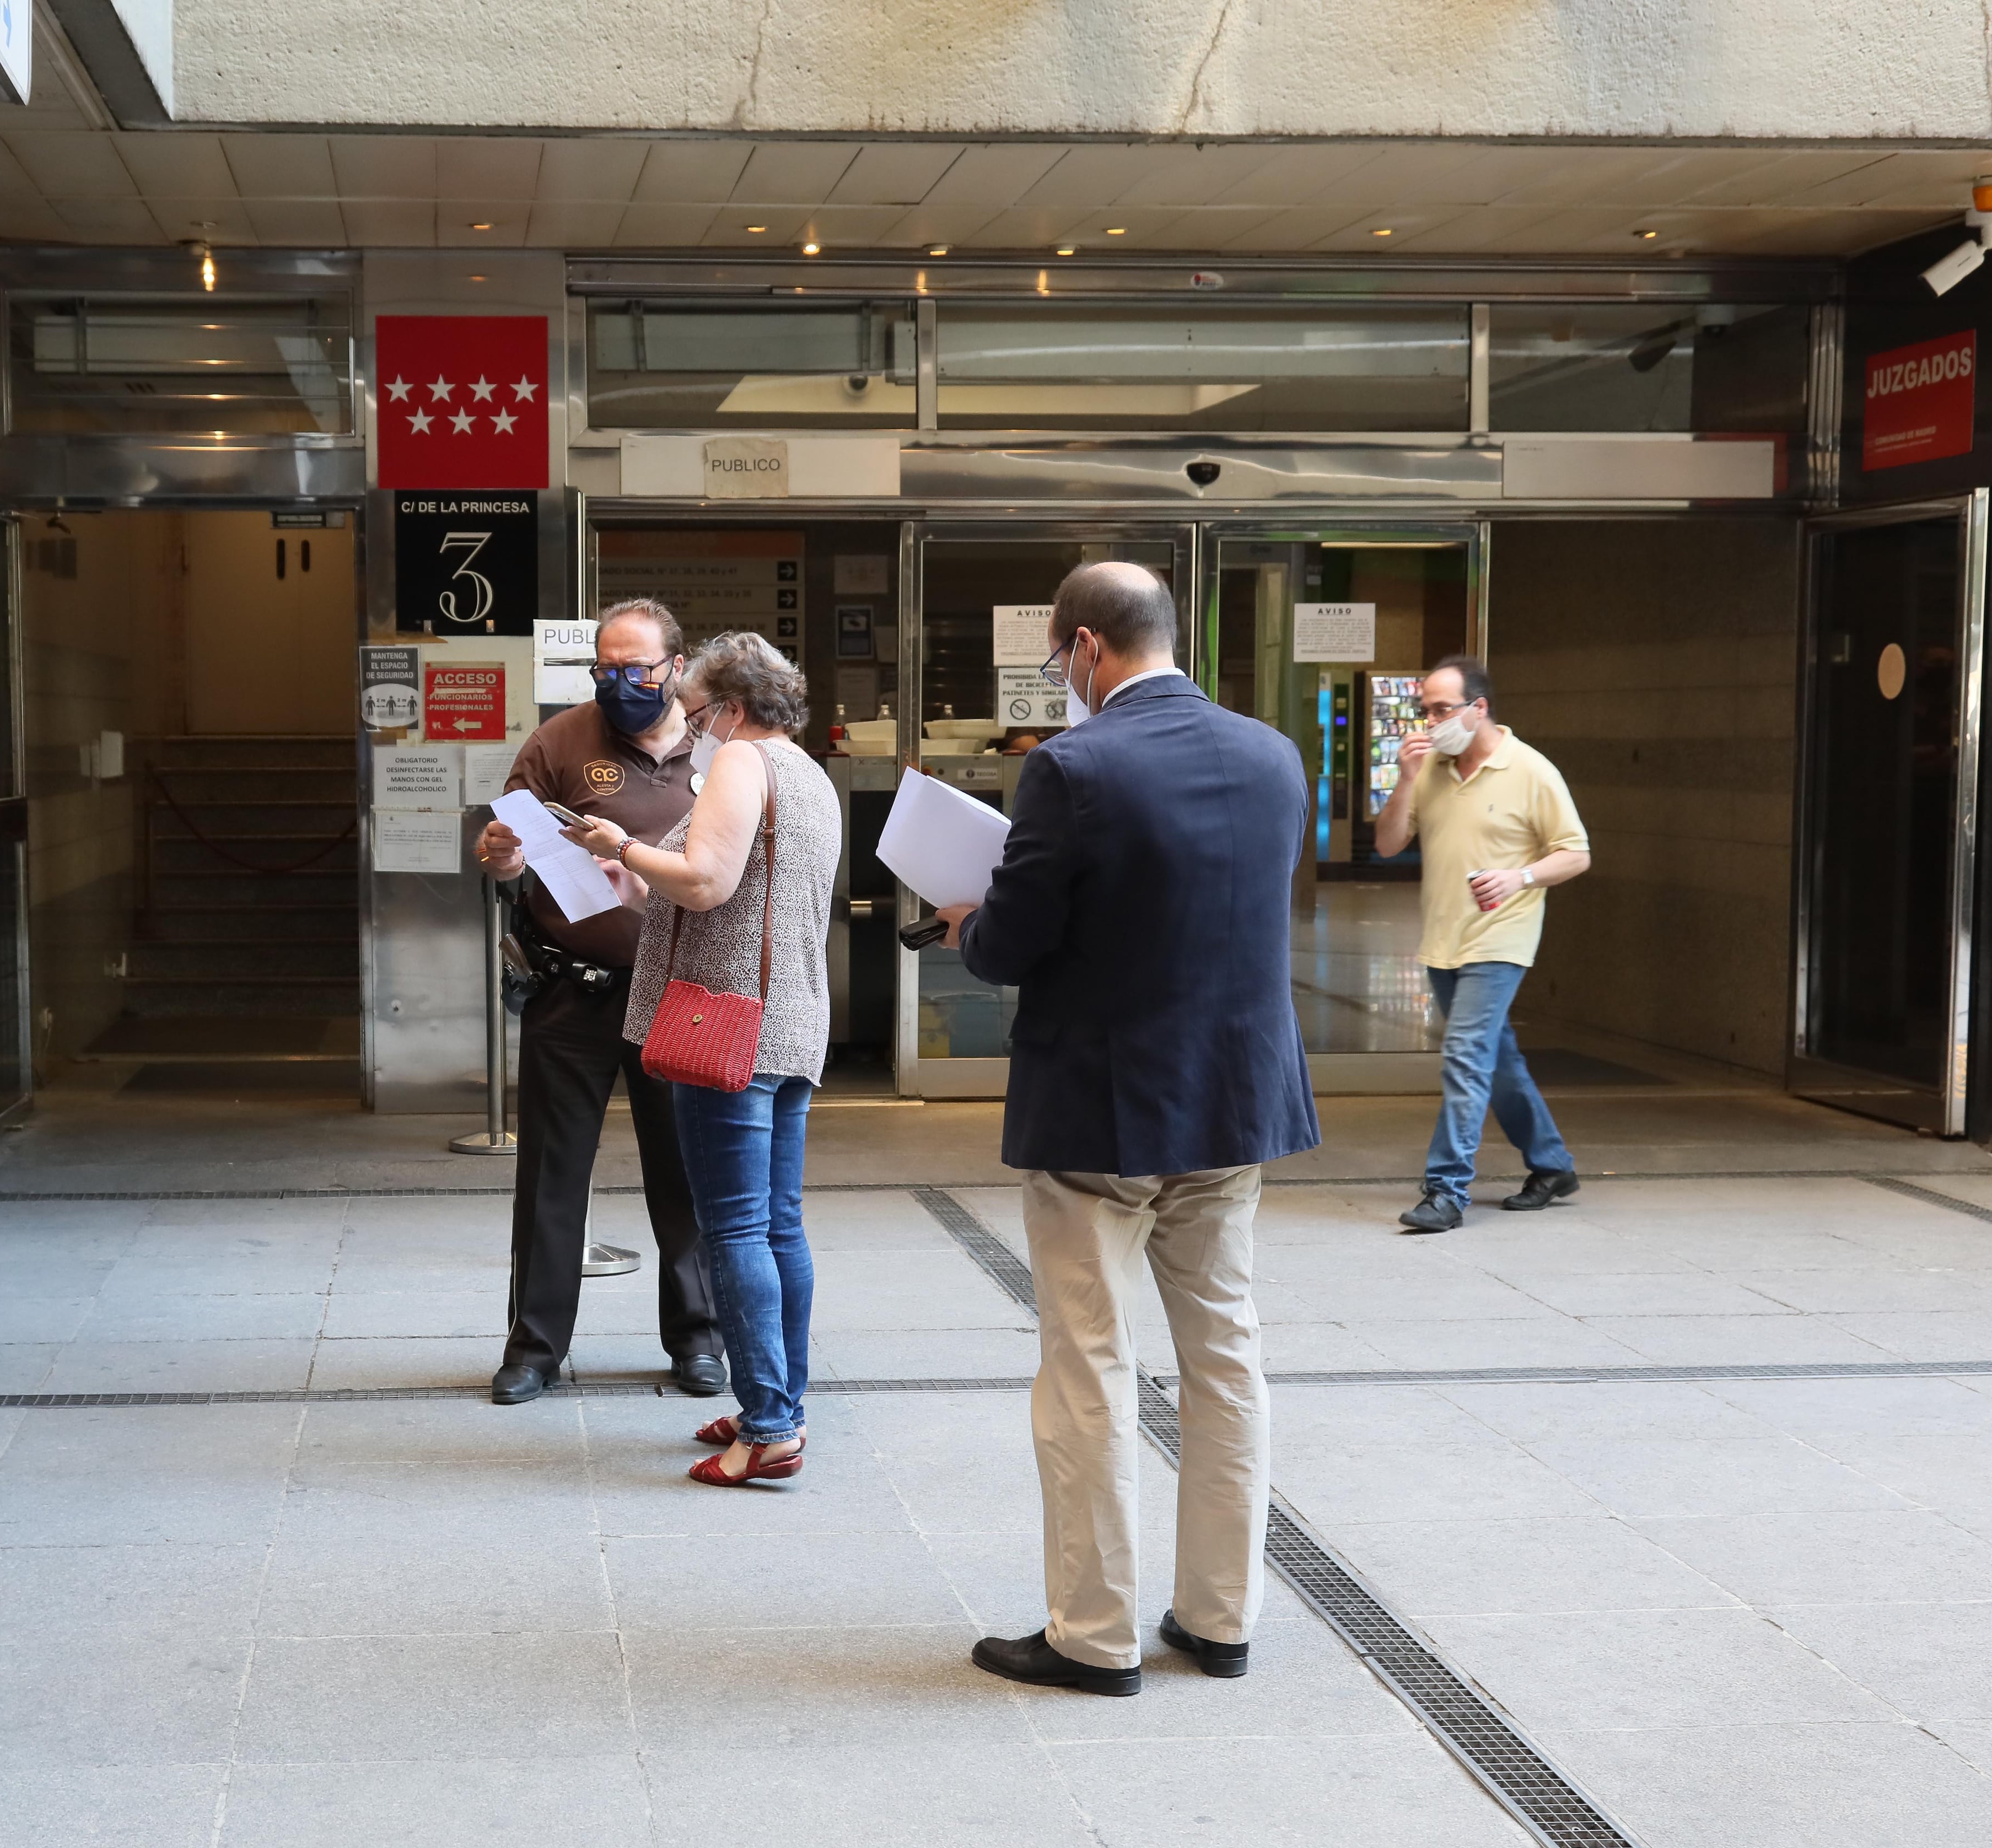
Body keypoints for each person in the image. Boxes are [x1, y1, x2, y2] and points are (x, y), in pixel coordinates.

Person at [936, 562, 1318, 1695]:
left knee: (1090, 1368)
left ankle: (1092, 1637)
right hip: (1231, 1106)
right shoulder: (1273, 754)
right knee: (1226, 1357)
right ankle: (1219, 1618)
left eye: (1063, 661)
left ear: (1086, 649)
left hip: (1101, 1114)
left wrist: (970, 918)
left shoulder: (1073, 766)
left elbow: (1011, 946)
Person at [567, 633, 844, 1485]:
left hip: (725, 1024)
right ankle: (782, 1403)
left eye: (697, 712)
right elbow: (712, 884)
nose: (693, 728)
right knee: (779, 1224)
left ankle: (766, 1427)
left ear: (729, 706)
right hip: (792, 1020)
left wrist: (617, 846)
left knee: (732, 1228)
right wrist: (637, 875)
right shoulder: (808, 773)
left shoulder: (740, 764)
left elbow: (709, 882)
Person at [473, 601, 728, 1405]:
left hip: (680, 993)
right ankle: (535, 1347)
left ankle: (698, 1337)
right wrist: (503, 858)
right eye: (604, 670)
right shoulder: (559, 741)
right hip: (572, 991)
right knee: (551, 1173)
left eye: (635, 670)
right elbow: (506, 855)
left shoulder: (723, 746)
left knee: (687, 1172)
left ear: (675, 666)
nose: (618, 684)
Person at [1374, 655, 1592, 1233]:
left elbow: (1576, 852)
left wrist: (1518, 877)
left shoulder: (1530, 770)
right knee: (1496, 1061)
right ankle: (1551, 1166)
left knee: (1465, 1057)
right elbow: (1390, 843)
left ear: (1479, 708)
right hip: (1443, 940)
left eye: (1442, 709)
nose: (1430, 721)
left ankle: (1445, 1191)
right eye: (1424, 711)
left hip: (1501, 939)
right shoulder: (1433, 770)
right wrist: (1404, 779)